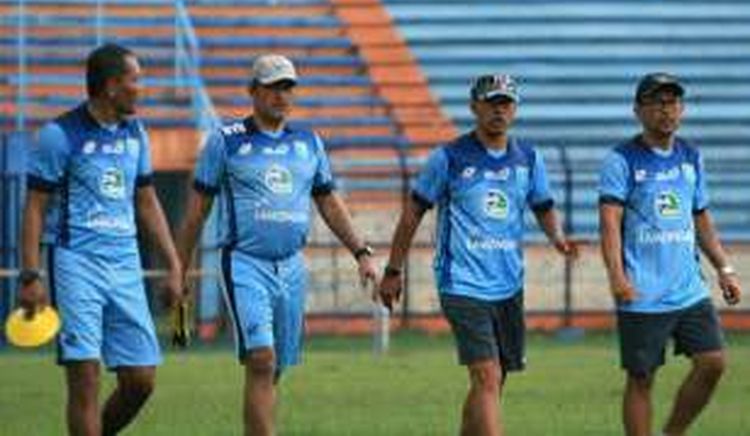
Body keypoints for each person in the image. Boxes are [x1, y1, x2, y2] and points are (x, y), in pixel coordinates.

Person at [176, 54, 377, 436]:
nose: (281, 95)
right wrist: (178, 266)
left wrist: (361, 253)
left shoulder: (307, 142)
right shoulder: (226, 140)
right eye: (272, 87)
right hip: (245, 262)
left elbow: (330, 203)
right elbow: (196, 211)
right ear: (253, 91)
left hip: (291, 265)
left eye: (287, 87)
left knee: (276, 366)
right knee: (262, 359)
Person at [379, 74, 576, 436]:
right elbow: (412, 214)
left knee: (494, 380)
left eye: (506, 102)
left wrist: (558, 238)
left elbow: (543, 205)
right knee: (487, 374)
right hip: (462, 283)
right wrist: (393, 269)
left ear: (515, 109)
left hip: (508, 284)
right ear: (474, 107)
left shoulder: (529, 158)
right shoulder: (449, 158)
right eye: (491, 102)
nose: (499, 110)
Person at [17, 43, 184, 436]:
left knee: (141, 379)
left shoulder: (136, 132)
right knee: (86, 376)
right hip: (76, 264)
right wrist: (30, 274)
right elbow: (35, 208)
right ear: (111, 86)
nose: (140, 88)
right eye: (135, 80)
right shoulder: (59, 135)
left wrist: (174, 264)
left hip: (125, 265)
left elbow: (146, 200)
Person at [598, 72, 742, 436]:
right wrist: (617, 276)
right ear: (638, 110)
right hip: (643, 292)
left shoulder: (691, 156)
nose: (667, 110)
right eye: (658, 102)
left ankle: (673, 432)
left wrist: (723, 267)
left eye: (673, 102)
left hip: (688, 289)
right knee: (642, 377)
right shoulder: (622, 159)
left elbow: (701, 217)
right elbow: (609, 224)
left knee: (713, 362)